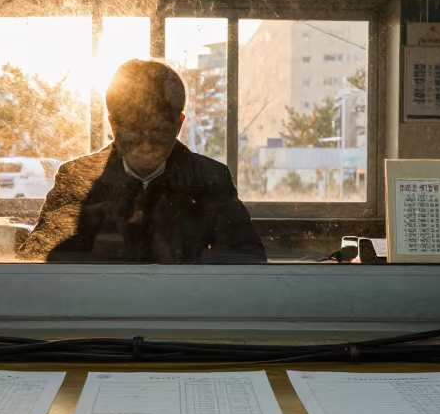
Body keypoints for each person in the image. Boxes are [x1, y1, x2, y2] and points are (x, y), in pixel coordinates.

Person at [18, 59, 266, 263]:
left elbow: (247, 259)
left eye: (159, 132)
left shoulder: (210, 177)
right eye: (134, 132)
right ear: (113, 125)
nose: (146, 146)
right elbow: (38, 258)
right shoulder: (77, 177)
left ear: (178, 125)